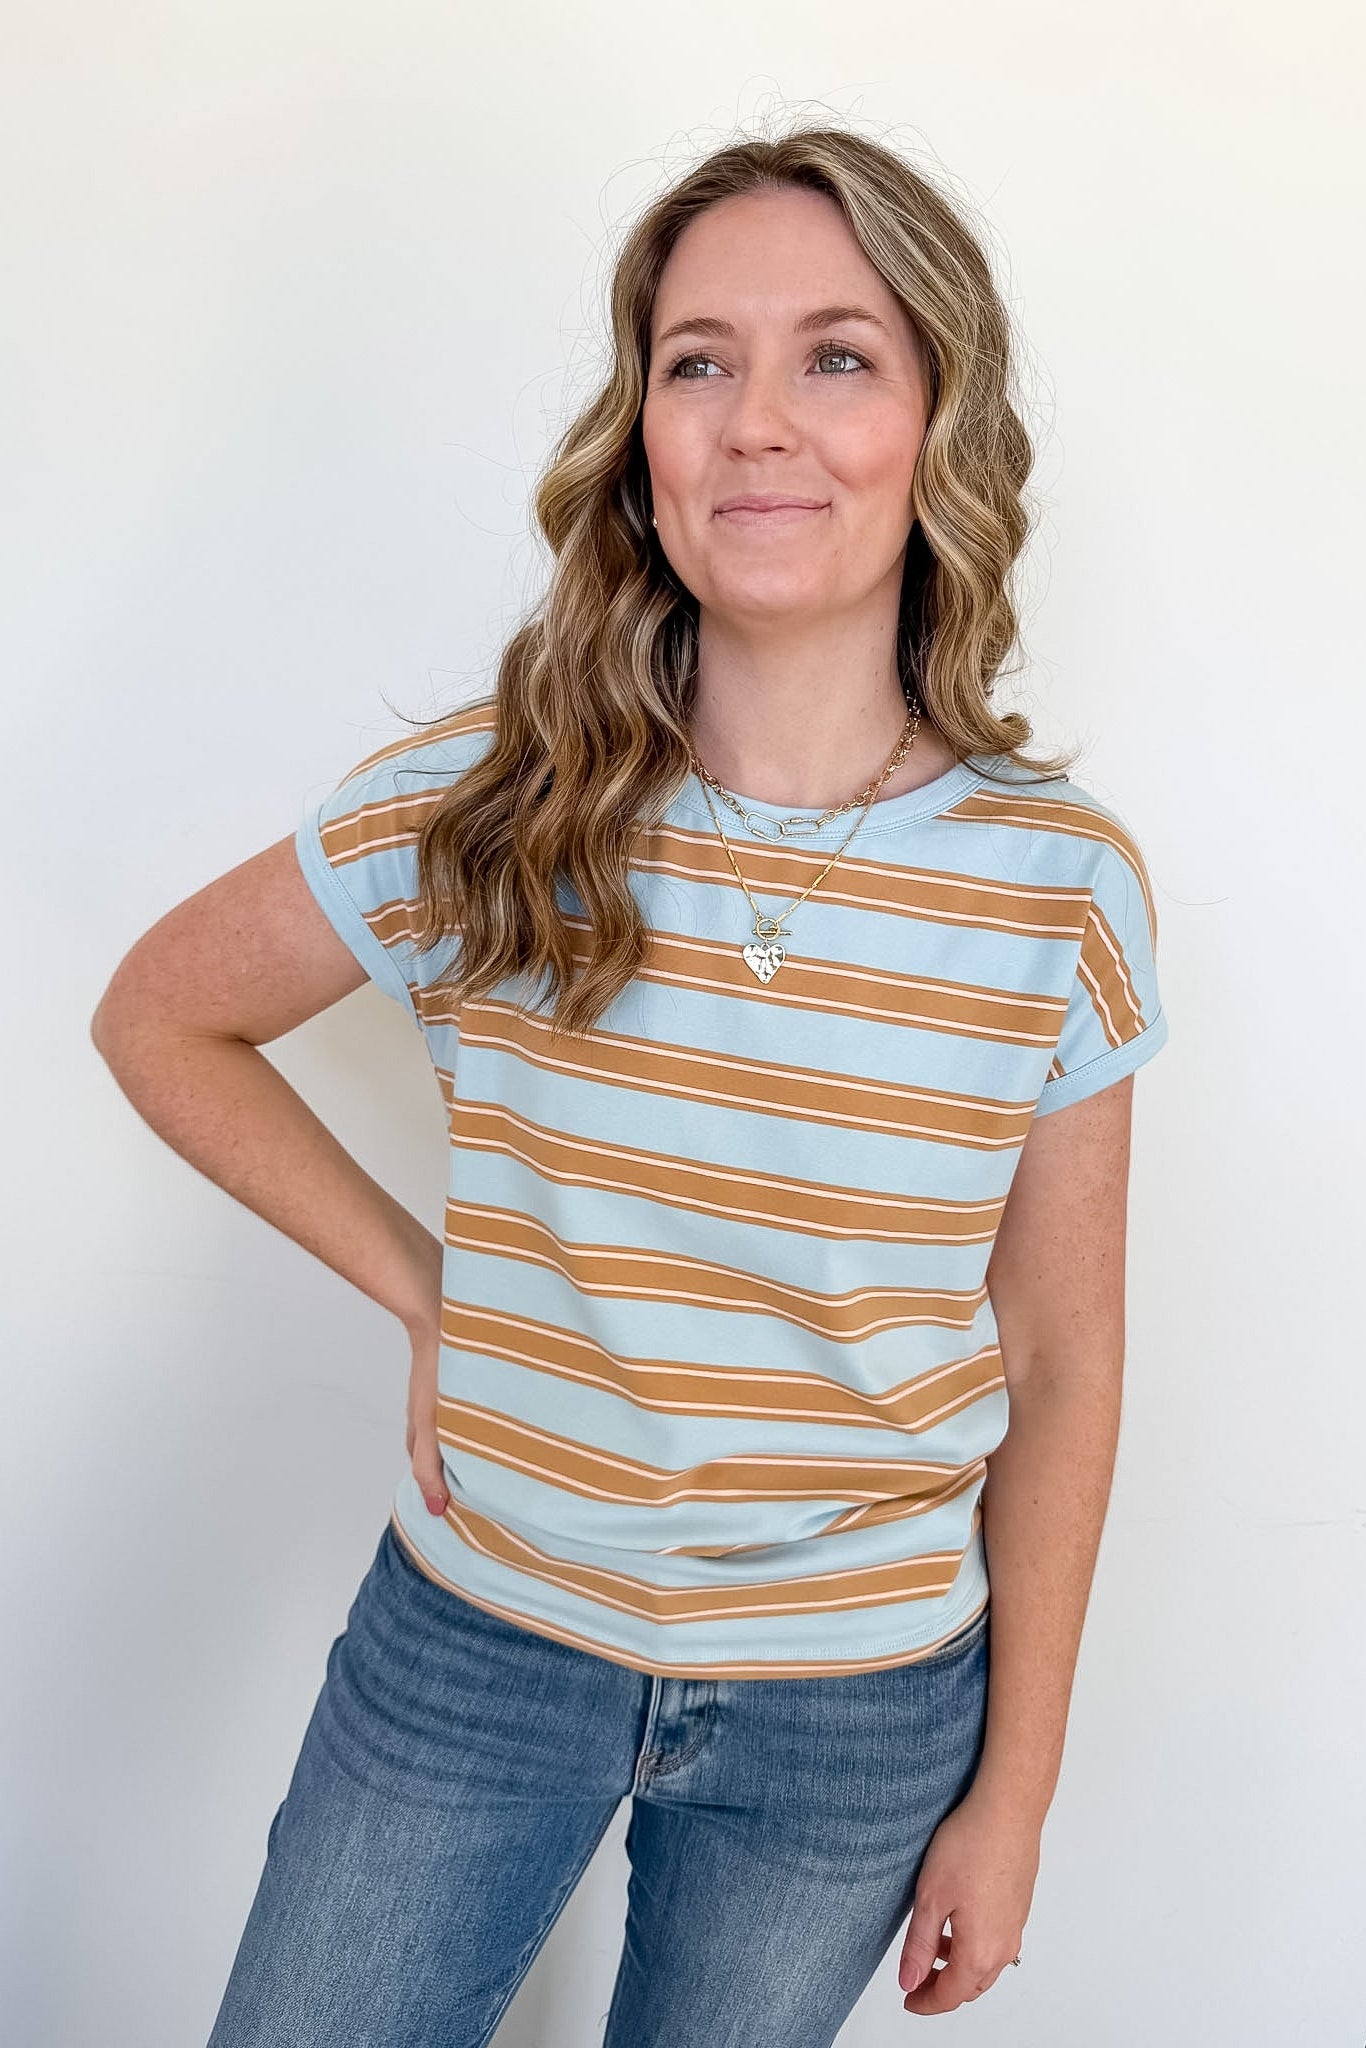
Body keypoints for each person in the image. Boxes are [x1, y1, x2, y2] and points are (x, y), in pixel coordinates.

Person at [91, 124, 1168, 2047]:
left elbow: (1064, 1355)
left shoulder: (1058, 884)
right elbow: (161, 1018)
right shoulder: (490, 799)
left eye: (836, 355)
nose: (757, 419)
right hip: (475, 1646)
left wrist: (1013, 1798)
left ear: (939, 426)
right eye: (698, 360)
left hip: (856, 1715)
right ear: (643, 436)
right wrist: (434, 1292)